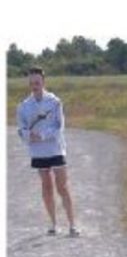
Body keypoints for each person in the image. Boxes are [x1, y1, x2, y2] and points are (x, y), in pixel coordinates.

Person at [17, 66, 79, 236]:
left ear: (43, 82)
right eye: (31, 82)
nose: (34, 85)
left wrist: (43, 135)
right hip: (38, 152)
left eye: (37, 82)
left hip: (56, 149)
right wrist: (29, 135)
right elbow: (21, 129)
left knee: (62, 186)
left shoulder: (55, 102)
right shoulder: (23, 106)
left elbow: (60, 127)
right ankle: (53, 224)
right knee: (46, 187)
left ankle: (72, 225)